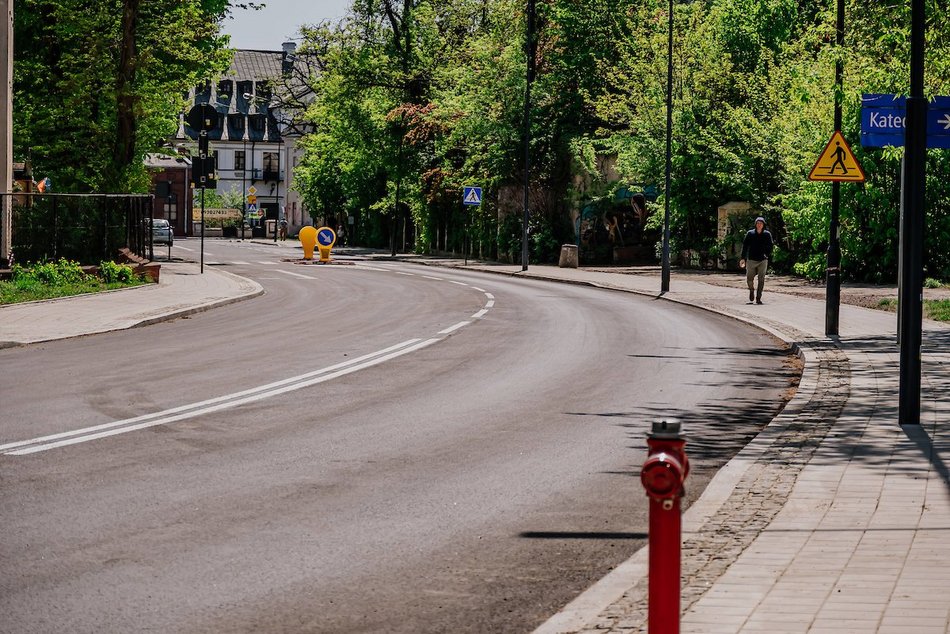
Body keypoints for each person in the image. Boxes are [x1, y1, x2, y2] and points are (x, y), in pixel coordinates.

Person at [739, 216, 773, 304]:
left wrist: (767, 254)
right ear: (755, 224)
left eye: (761, 223)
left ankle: (758, 297)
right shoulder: (750, 234)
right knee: (749, 278)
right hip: (751, 260)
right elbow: (745, 246)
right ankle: (751, 290)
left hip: (762, 260)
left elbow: (770, 246)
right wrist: (743, 258)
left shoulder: (767, 234)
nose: (759, 225)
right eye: (757, 223)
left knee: (761, 279)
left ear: (763, 225)